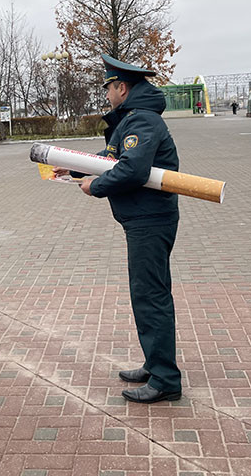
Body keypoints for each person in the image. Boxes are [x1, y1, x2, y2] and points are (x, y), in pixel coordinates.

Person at [54, 54, 182, 404]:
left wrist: (94, 187)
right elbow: (110, 157)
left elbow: (133, 170)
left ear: (121, 88)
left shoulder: (141, 121)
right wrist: (74, 169)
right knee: (148, 293)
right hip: (143, 218)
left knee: (150, 295)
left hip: (149, 220)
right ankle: (156, 364)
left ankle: (166, 379)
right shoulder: (133, 119)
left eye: (109, 87)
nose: (107, 94)